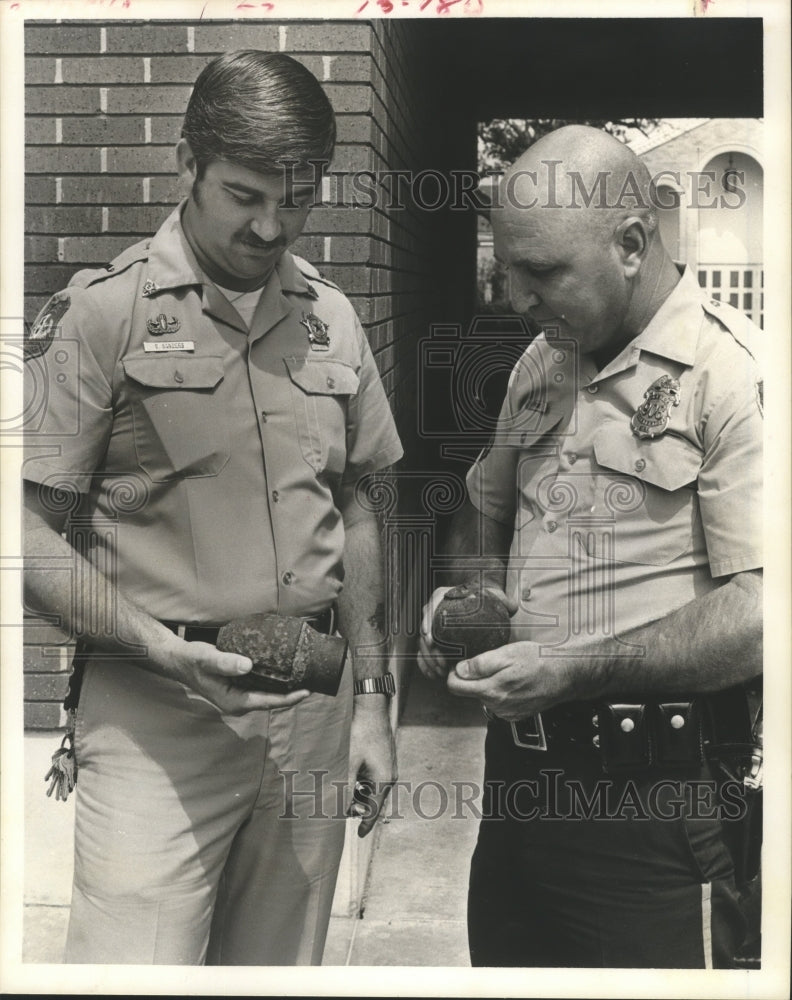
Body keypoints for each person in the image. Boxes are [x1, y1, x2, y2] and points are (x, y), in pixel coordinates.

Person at [23, 50, 403, 966]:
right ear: (187, 164)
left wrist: (370, 706)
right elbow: (25, 534)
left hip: (313, 709)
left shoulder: (332, 318)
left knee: (279, 975)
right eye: (245, 195)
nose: (274, 227)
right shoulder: (98, 316)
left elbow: (355, 505)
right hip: (157, 717)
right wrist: (158, 647)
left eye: (300, 198)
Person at [418, 125, 763, 968]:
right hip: (522, 786)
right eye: (508, 273)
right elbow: (482, 510)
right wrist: (463, 600)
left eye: (542, 275)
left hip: (660, 804)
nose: (517, 300)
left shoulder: (735, 374)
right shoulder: (542, 363)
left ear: (632, 244)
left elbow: (763, 614)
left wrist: (573, 669)